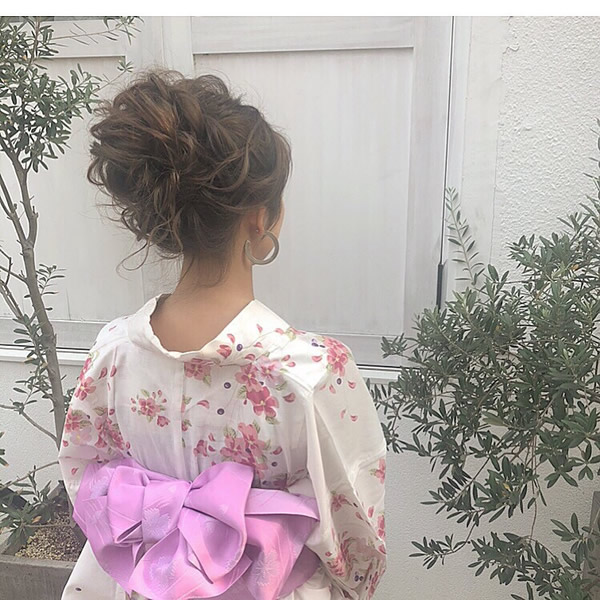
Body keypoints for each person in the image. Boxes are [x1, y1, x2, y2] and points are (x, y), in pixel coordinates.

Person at [57, 68, 387, 600]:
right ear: (260, 218)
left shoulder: (113, 354)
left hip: (148, 585)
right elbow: (354, 533)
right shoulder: (309, 374)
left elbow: (85, 478)